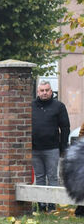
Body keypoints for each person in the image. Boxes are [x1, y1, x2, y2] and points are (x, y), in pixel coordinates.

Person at [31, 80, 70, 211]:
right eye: (42, 90)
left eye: (47, 90)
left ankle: (52, 204)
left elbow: (65, 127)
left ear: (51, 91)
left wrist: (63, 146)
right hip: (35, 148)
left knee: (52, 176)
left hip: (52, 148)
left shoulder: (58, 106)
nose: (44, 93)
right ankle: (41, 204)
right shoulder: (31, 106)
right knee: (40, 176)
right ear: (37, 92)